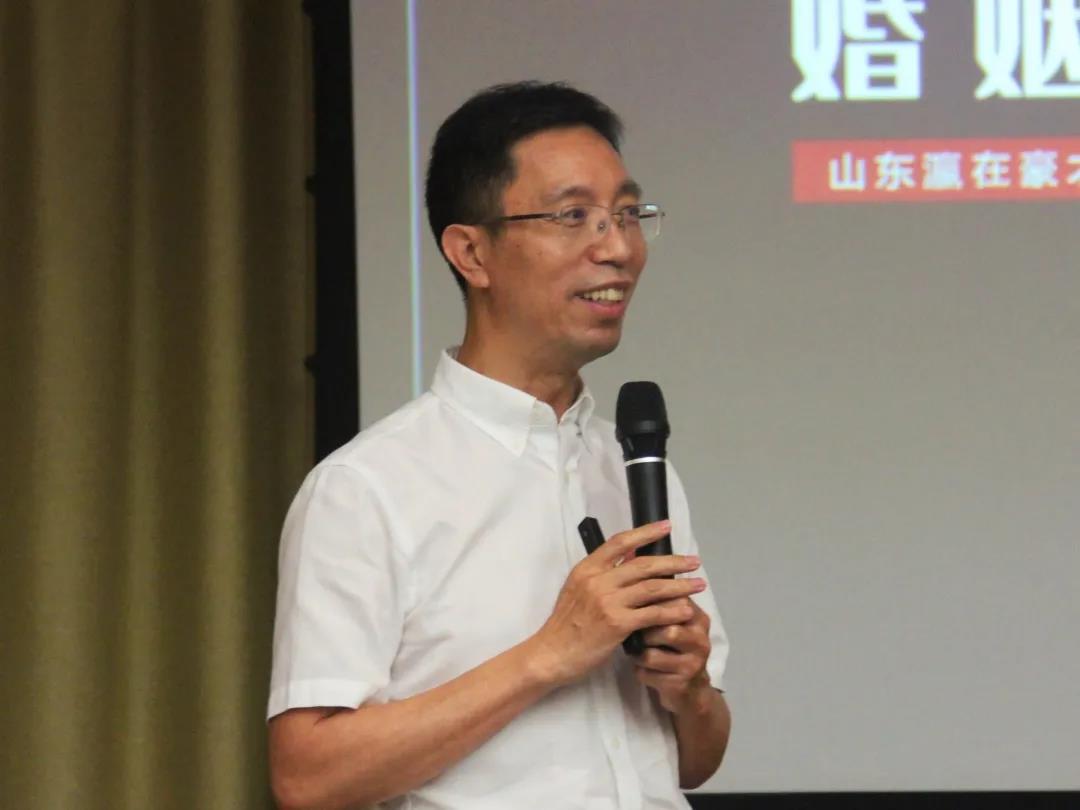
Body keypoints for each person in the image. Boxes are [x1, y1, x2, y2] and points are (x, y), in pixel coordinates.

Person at [268, 81, 731, 810]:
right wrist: (548, 655)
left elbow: (694, 763)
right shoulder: (366, 487)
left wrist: (692, 691)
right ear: (471, 253)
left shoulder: (635, 470)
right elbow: (308, 777)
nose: (617, 247)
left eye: (626, 214)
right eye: (574, 216)